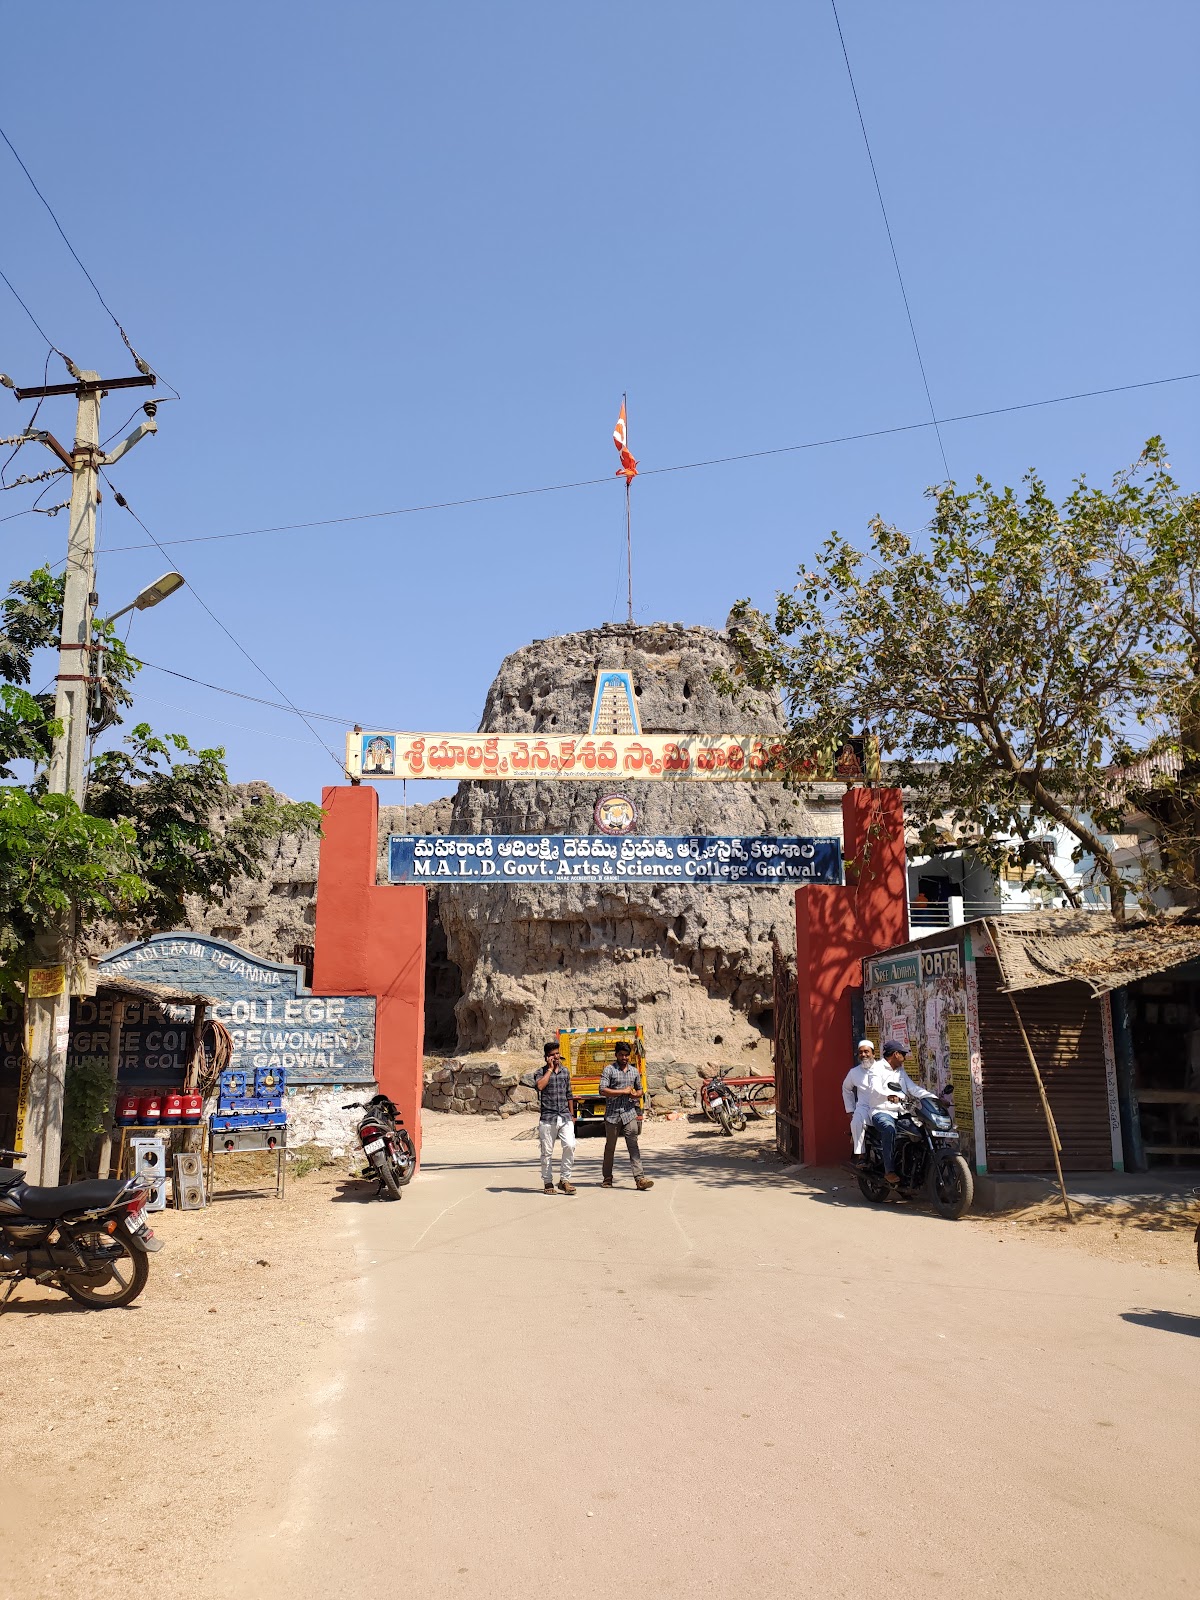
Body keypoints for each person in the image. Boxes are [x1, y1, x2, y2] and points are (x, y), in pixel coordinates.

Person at [847, 1039, 934, 1184]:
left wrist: (933, 1098)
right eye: (903, 1054)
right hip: (881, 1112)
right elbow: (875, 1088)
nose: (904, 1058)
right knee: (888, 1129)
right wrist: (887, 1095)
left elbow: (913, 1089)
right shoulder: (876, 1069)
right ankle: (889, 1171)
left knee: (919, 1133)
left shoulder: (900, 1071)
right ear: (895, 1054)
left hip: (900, 1112)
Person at [599, 1040, 653, 1191]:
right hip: (612, 1115)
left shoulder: (634, 1071)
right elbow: (602, 1090)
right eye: (621, 1055)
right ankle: (607, 1178)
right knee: (611, 1147)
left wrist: (636, 1094)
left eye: (626, 1055)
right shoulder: (609, 1070)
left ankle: (640, 1178)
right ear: (616, 1055)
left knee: (633, 1146)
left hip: (630, 1113)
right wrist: (622, 1091)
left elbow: (641, 1090)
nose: (624, 1058)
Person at [534, 1041, 576, 1195]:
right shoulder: (540, 1072)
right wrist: (550, 1070)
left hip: (564, 1116)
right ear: (546, 1057)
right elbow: (540, 1086)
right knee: (547, 1152)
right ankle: (547, 1182)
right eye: (552, 1055)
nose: (556, 1056)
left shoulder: (565, 1072)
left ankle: (565, 1180)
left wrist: (572, 1115)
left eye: (557, 1053)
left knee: (570, 1146)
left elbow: (569, 1094)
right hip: (548, 1117)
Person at [841, 1039, 877, 1156]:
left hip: (881, 1107)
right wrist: (850, 1109)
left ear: (873, 1053)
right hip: (863, 1108)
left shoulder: (883, 1069)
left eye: (866, 1052)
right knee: (856, 1122)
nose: (863, 1055)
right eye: (861, 1052)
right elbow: (846, 1089)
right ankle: (861, 1155)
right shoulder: (854, 1072)